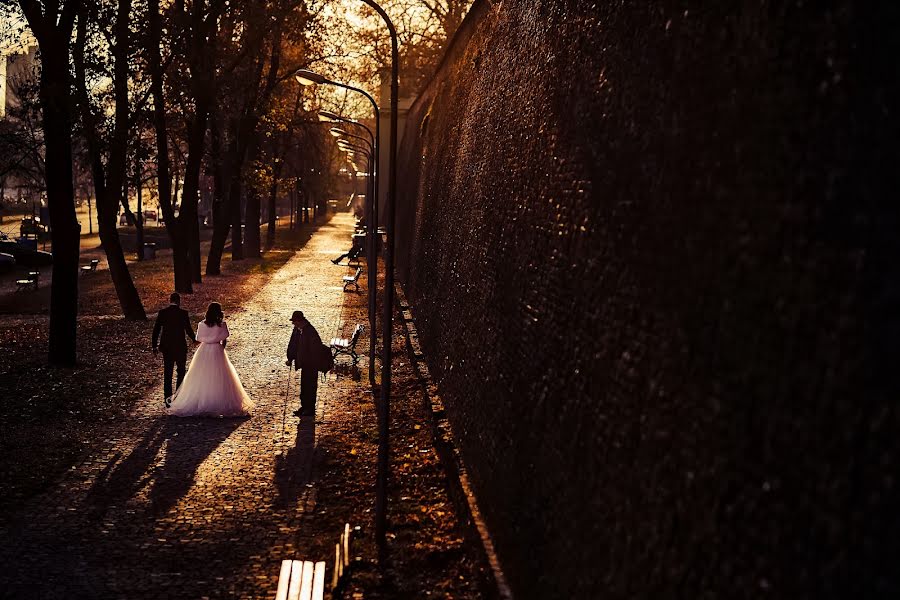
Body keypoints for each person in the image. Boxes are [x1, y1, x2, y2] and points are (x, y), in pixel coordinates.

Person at [167, 302, 254, 417]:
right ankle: (218, 402)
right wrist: (220, 349)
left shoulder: (202, 324)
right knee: (219, 376)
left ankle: (202, 400)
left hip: (203, 350)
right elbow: (224, 340)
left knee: (201, 375)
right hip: (217, 349)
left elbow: (199, 338)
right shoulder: (222, 325)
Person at [152, 292, 197, 407]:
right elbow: (188, 329)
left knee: (168, 373)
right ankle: (178, 397)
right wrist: (194, 340)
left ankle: (167, 400)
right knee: (181, 372)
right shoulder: (183, 313)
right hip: (180, 346)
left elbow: (156, 330)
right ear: (179, 301)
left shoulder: (163, 313)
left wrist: (154, 346)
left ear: (170, 300)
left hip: (167, 347)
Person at [285, 310, 322, 417]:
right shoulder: (297, 330)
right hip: (305, 364)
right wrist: (290, 358)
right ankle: (304, 406)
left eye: (294, 321)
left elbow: (316, 348)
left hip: (311, 364)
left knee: (310, 386)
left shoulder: (310, 331)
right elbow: (293, 344)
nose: (293, 323)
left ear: (300, 321)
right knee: (304, 386)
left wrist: (310, 361)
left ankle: (310, 408)